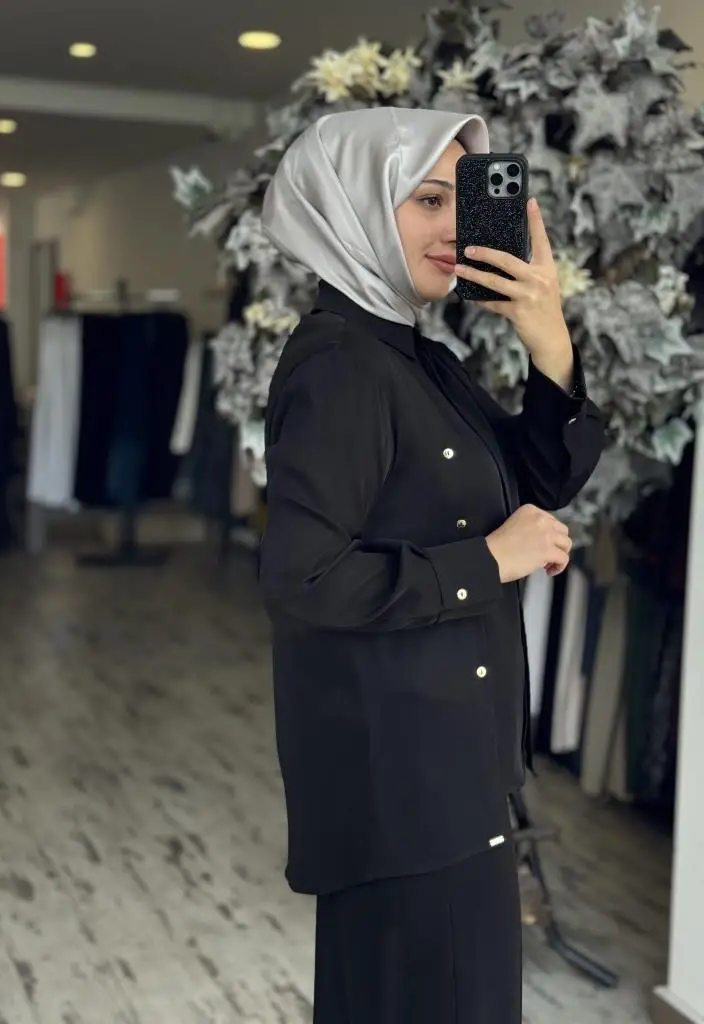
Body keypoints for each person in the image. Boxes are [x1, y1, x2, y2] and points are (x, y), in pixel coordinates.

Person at [258, 107, 605, 1024]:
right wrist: (487, 560)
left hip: (447, 769)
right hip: (401, 784)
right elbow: (302, 580)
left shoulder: (415, 356)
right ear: (352, 205)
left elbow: (540, 477)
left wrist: (548, 337)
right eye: (427, 200)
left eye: (463, 199)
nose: (454, 226)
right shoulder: (341, 366)